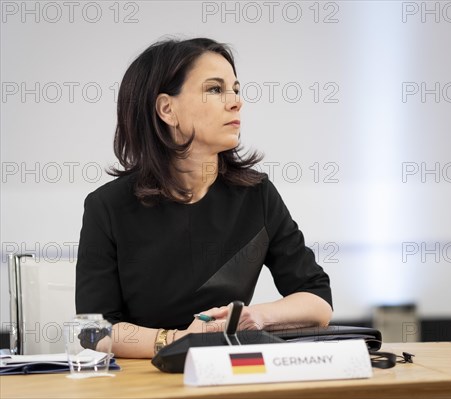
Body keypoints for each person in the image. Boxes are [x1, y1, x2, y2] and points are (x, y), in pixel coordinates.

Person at [75, 38, 333, 358]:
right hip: (142, 379)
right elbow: (92, 330)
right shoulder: (108, 206)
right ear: (167, 109)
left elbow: (318, 300)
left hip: (228, 372)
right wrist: (178, 339)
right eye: (214, 89)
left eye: (236, 90)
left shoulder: (257, 195)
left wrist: (256, 316)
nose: (235, 102)